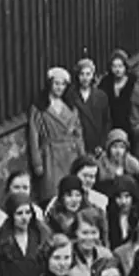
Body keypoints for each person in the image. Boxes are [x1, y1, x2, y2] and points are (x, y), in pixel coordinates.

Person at [28, 67, 87, 203]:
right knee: (53, 193)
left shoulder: (71, 107)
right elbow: (34, 136)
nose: (59, 87)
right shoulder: (39, 108)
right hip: (50, 155)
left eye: (63, 84)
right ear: (50, 84)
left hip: (70, 154)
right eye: (56, 83)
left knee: (71, 191)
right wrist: (37, 162)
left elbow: (78, 135)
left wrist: (82, 157)